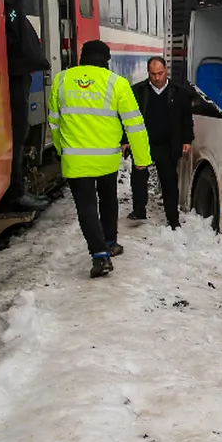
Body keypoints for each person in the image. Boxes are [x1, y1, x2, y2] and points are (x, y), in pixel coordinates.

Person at [48, 40, 152, 278]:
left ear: (81, 57)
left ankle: (99, 256)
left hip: (75, 159)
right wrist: (142, 159)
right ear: (106, 60)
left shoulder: (61, 80)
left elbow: (54, 122)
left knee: (86, 207)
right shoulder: (117, 83)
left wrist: (60, 149)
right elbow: (135, 125)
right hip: (106, 159)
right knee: (107, 199)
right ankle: (111, 242)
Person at [1, 0, 50, 211]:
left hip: (16, 67)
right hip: (12, 68)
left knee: (18, 127)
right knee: (17, 128)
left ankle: (14, 188)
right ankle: (13, 192)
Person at [126, 56, 194, 229]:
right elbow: (128, 118)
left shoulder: (180, 92)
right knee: (139, 178)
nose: (157, 78)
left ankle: (173, 218)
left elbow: (186, 118)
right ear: (148, 72)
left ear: (166, 71)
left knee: (169, 181)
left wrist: (187, 139)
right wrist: (125, 140)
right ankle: (139, 209)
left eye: (160, 73)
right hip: (143, 143)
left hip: (167, 144)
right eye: (153, 74)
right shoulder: (138, 91)